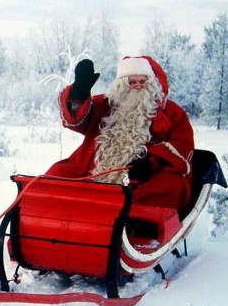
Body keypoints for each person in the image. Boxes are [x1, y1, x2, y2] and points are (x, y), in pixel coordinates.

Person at [44, 55, 195, 210]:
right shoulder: (106, 104)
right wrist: (78, 94)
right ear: (121, 85)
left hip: (142, 177)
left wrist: (152, 162)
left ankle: (131, 229)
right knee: (54, 177)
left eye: (143, 82)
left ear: (151, 85)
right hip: (93, 169)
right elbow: (76, 119)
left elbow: (183, 143)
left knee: (167, 188)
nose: (138, 86)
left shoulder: (171, 112)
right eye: (132, 82)